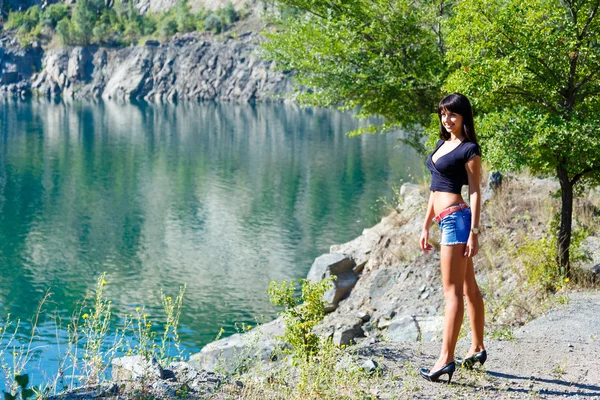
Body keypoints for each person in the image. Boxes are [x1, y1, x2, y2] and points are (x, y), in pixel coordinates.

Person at [418, 93, 486, 384]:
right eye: (443, 114)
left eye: (453, 115)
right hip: (444, 220)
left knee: (452, 292)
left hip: (458, 222)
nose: (447, 120)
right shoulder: (441, 144)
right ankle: (478, 347)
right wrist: (425, 226)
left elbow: (475, 191)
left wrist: (474, 231)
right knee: (469, 286)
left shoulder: (469, 149)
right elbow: (435, 190)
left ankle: (445, 359)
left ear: (464, 117)